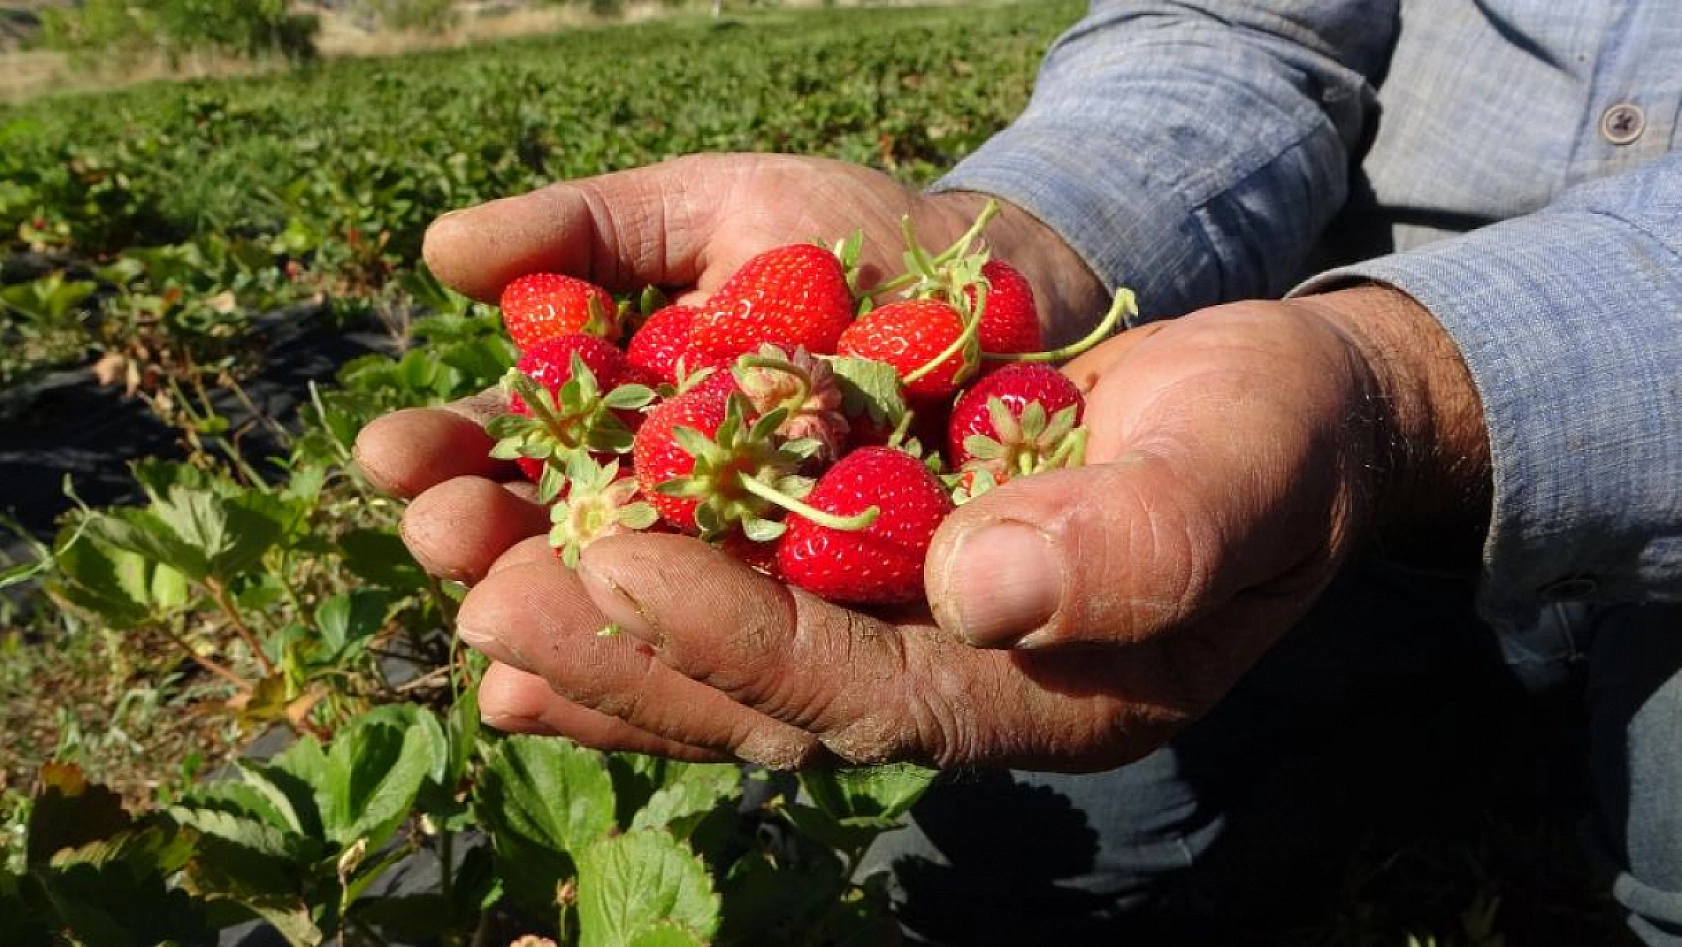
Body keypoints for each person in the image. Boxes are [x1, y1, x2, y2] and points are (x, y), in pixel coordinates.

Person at [354, 1, 1682, 943]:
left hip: (1408, 403)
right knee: (986, 867)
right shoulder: (834, 408)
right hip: (1257, 400)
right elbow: (1236, 28)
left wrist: (1401, 383)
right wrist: (1038, 250)